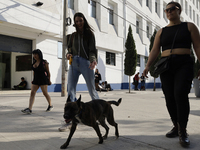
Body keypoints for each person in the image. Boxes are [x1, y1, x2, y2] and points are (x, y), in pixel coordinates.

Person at [143, 1, 200, 147]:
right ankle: (176, 125)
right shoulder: (161, 31)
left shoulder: (189, 26)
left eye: (171, 9)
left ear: (179, 10)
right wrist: (148, 66)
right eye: (166, 10)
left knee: (180, 93)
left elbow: (198, 47)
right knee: (169, 96)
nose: (168, 12)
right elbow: (155, 50)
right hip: (166, 66)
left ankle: (183, 130)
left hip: (184, 64)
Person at [59, 12, 99, 131]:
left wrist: (93, 60)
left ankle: (98, 114)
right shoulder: (72, 36)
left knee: (92, 89)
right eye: (76, 21)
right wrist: (68, 54)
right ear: (75, 23)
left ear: (84, 21)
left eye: (80, 20)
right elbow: (69, 49)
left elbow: (92, 50)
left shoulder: (90, 35)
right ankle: (71, 120)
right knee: (71, 90)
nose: (79, 23)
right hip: (73, 64)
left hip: (86, 63)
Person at [21, 49, 53, 114]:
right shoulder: (34, 63)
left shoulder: (44, 62)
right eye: (34, 54)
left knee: (45, 93)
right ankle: (29, 109)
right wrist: (33, 80)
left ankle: (50, 105)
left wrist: (49, 80)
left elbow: (48, 72)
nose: (34, 56)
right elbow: (34, 72)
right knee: (32, 93)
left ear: (39, 55)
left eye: (36, 54)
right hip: (36, 80)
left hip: (43, 80)